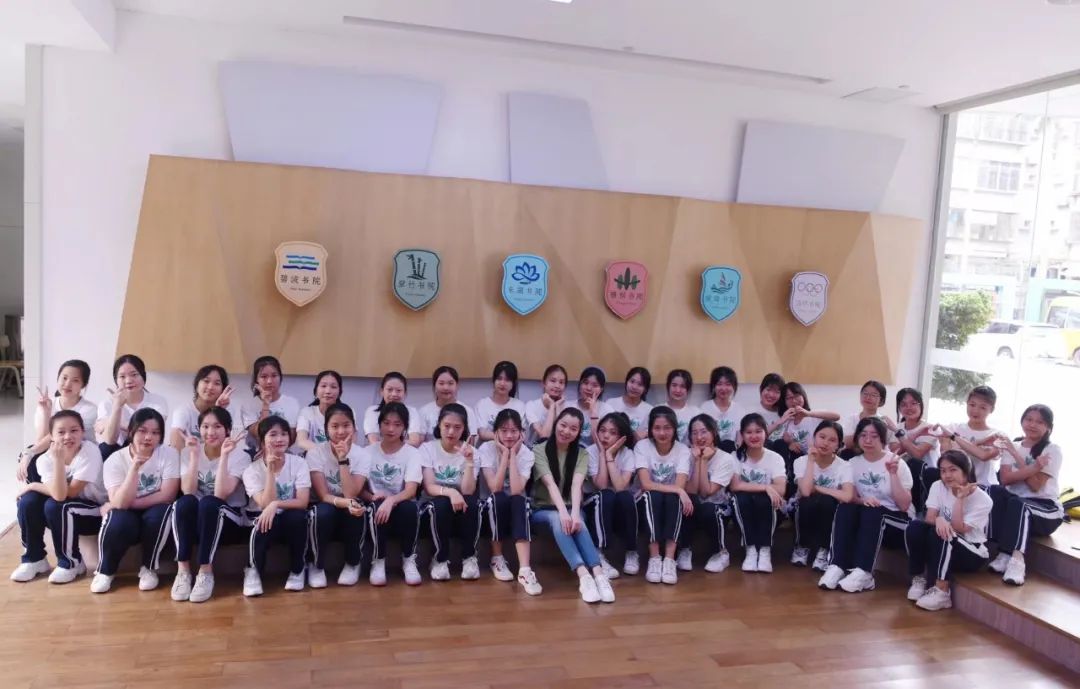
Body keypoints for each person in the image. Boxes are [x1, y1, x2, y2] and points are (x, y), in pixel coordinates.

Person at [530, 407, 615, 603]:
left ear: (579, 432)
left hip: (571, 506)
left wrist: (575, 513)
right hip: (543, 509)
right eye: (563, 425)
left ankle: (599, 575)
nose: (566, 431)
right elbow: (550, 484)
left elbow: (577, 485)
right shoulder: (539, 449)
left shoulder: (581, 453)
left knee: (579, 522)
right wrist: (563, 512)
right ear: (556, 424)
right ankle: (584, 576)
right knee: (559, 520)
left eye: (573, 428)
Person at [819, 417, 913, 593]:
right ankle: (837, 565)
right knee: (846, 507)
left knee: (873, 512)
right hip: (867, 518)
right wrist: (863, 500)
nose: (868, 440)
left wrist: (893, 474)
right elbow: (851, 497)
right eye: (863, 435)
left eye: (874, 436)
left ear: (883, 439)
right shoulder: (853, 463)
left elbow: (904, 506)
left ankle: (865, 572)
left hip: (897, 523)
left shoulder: (896, 462)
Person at [10, 411, 106, 584]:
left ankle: (72, 563)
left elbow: (64, 494)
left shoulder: (90, 451)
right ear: (51, 437)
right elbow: (57, 493)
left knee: (57, 505)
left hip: (95, 512)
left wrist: (33, 485)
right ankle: (34, 559)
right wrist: (56, 461)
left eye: (74, 430)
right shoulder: (44, 459)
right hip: (65, 510)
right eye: (61, 432)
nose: (68, 436)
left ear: (82, 432)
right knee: (28, 502)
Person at [170, 406, 253, 603]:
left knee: (209, 503)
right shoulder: (189, 451)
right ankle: (183, 571)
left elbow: (220, 494)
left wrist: (224, 456)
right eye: (205, 426)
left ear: (227, 430)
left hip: (228, 522)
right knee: (184, 502)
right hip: (200, 521)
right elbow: (188, 491)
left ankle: (205, 572)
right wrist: (194, 456)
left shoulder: (240, 456)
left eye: (217, 426)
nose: (210, 432)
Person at [93, 408, 180, 594]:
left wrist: (125, 504)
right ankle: (105, 571)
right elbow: (119, 503)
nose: (148, 437)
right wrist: (134, 468)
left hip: (153, 508)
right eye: (142, 431)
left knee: (163, 512)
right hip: (126, 512)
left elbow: (168, 495)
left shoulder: (169, 454)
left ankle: (148, 568)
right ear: (131, 431)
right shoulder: (115, 460)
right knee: (116, 519)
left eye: (155, 433)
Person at [905, 450, 992, 611]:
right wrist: (939, 519)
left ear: (966, 471)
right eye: (943, 471)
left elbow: (960, 529)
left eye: (953, 470)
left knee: (945, 534)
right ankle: (919, 579)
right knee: (916, 526)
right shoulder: (938, 486)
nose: (947, 475)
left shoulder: (983, 499)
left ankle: (942, 591)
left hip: (971, 553)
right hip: (943, 546)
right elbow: (930, 517)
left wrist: (960, 498)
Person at [987, 404, 1064, 586]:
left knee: (1019, 504)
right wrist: (1033, 467)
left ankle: (1016, 560)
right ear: (1022, 421)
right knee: (995, 491)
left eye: (1040, 422)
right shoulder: (1012, 445)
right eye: (1029, 419)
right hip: (1017, 507)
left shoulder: (1052, 450)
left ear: (1048, 427)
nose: (1032, 424)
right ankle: (1002, 553)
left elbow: (1036, 485)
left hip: (1046, 510)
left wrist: (1016, 456)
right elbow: (1005, 479)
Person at [241, 416, 311, 596]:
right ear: (262, 441)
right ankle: (253, 571)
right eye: (273, 434)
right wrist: (271, 471)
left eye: (284, 434)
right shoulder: (251, 471)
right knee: (263, 522)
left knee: (298, 517)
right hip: (262, 517)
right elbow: (264, 504)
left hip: (287, 517)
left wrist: (276, 504)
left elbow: (302, 502)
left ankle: (297, 570)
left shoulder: (299, 463)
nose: (279, 439)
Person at [356, 402, 423, 586]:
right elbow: (359, 489)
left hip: (401, 502)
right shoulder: (367, 452)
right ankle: (378, 561)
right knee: (375, 507)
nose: (391, 429)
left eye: (397, 424)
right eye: (386, 423)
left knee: (410, 509)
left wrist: (391, 500)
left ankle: (409, 559)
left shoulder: (412, 454)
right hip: (376, 504)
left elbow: (410, 491)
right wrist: (372, 497)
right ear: (379, 425)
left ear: (405, 427)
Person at [475, 409, 540, 594]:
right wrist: (505, 455)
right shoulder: (486, 449)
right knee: (498, 498)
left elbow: (517, 490)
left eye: (514, 431)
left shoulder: (527, 454)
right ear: (495, 432)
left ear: (522, 433)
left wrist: (512, 456)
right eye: (504, 431)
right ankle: (497, 558)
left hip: (515, 503)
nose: (509, 435)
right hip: (489, 504)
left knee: (519, 500)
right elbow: (495, 487)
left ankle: (525, 570)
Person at [305, 403, 367, 588]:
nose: (341, 431)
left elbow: (351, 493)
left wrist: (343, 460)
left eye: (346, 425)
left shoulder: (362, 455)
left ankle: (352, 563)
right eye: (334, 426)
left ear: (354, 428)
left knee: (357, 510)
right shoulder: (315, 453)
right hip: (327, 502)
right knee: (323, 512)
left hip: (348, 500)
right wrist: (346, 502)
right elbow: (323, 495)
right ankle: (316, 565)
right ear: (326, 429)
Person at [420, 403, 481, 581]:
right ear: (439, 425)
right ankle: (439, 559)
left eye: (457, 427)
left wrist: (469, 461)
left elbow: (468, 490)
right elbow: (429, 487)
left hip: (461, 505)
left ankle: (469, 558)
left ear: (464, 429)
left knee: (472, 503)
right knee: (441, 503)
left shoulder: (472, 452)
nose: (451, 432)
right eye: (447, 426)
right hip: (432, 505)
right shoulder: (427, 449)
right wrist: (451, 493)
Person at [635, 406, 693, 584]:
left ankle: (669, 559)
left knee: (673, 498)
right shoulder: (642, 446)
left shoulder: (683, 450)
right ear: (650, 429)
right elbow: (645, 484)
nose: (662, 433)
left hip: (671, 501)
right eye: (657, 428)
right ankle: (654, 558)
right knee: (653, 496)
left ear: (675, 429)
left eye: (667, 428)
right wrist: (679, 490)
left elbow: (679, 485)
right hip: (645, 500)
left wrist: (679, 490)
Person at [18, 360, 98, 481]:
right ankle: (42, 488)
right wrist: (46, 413)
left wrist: (29, 452)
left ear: (83, 384)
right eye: (64, 378)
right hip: (55, 451)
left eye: (75, 380)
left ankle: (46, 488)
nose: (67, 384)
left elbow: (56, 438)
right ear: (58, 379)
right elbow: (41, 441)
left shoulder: (89, 409)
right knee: (31, 455)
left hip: (79, 456)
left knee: (31, 452)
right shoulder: (47, 403)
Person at [791, 421, 853, 571]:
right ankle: (802, 546)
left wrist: (818, 488)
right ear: (814, 438)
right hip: (804, 506)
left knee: (827, 501)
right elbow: (806, 491)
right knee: (807, 501)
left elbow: (847, 496)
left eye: (832, 440)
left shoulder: (844, 466)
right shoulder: (801, 461)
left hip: (829, 508)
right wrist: (811, 461)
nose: (825, 443)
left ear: (838, 445)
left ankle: (824, 551)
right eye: (822, 437)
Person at [729, 413, 787, 573]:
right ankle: (751, 549)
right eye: (749, 432)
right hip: (745, 505)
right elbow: (735, 485)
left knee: (764, 500)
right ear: (742, 435)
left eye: (758, 431)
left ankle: (765, 550)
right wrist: (766, 487)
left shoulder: (775, 458)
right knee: (741, 499)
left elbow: (781, 489)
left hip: (770, 506)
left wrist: (768, 490)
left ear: (765, 433)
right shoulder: (735, 457)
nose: (754, 436)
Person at [585, 411, 640, 577]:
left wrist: (609, 456)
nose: (605, 436)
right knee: (606, 495)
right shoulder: (590, 451)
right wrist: (603, 454)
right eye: (602, 430)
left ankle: (631, 551)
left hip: (617, 505)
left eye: (612, 432)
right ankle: (598, 554)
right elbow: (601, 485)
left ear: (622, 437)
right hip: (593, 503)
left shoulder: (627, 453)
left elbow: (621, 486)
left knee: (626, 496)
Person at [681, 414, 737, 573]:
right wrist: (696, 460)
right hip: (693, 505)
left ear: (714, 432)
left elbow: (707, 493)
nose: (699, 437)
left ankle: (721, 553)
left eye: (704, 431)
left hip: (717, 507)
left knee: (707, 508)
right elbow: (692, 491)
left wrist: (703, 461)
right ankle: (684, 550)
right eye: (694, 433)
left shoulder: (725, 458)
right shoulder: (686, 455)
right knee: (686, 501)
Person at [95, 354, 169, 458]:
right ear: (116, 380)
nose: (129, 381)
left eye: (134, 375)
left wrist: (115, 423)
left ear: (143, 376)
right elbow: (110, 440)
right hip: (115, 452)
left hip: (147, 449)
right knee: (104, 448)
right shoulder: (106, 404)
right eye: (122, 377)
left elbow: (151, 431)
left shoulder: (157, 401)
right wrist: (117, 406)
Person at [771, 382, 840, 487]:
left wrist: (808, 413)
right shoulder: (787, 421)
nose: (794, 401)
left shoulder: (814, 416)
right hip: (800, 460)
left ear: (803, 396)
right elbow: (775, 440)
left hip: (818, 457)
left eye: (796, 395)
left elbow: (836, 416)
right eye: (789, 398)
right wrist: (790, 443)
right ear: (784, 402)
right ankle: (786, 481)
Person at [934, 385, 1002, 488]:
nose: (975, 410)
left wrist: (955, 439)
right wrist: (980, 442)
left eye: (983, 407)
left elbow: (983, 456)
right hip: (956, 485)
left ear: (991, 409)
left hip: (983, 486)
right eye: (972, 405)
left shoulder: (996, 435)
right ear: (967, 403)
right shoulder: (953, 428)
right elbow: (948, 459)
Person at [884, 388, 939, 513]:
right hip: (901, 475)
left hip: (925, 477)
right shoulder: (897, 428)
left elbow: (917, 454)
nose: (909, 408)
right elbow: (895, 452)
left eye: (913, 403)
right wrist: (909, 434)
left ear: (921, 405)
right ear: (899, 408)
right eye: (903, 404)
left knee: (914, 463)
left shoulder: (930, 428)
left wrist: (899, 434)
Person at [168, 365, 233, 451]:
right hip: (188, 457)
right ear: (197, 385)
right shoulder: (184, 411)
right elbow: (176, 436)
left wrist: (218, 410)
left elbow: (226, 444)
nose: (210, 387)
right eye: (206, 381)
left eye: (217, 383)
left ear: (223, 389)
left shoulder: (228, 410)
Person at [240, 356, 301, 446]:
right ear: (256, 380)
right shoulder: (248, 405)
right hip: (256, 452)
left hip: (282, 451)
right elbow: (259, 434)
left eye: (274, 376)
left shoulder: (292, 403)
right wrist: (266, 405)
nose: (269, 381)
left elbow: (291, 438)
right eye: (264, 376)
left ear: (280, 377)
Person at [418, 366, 480, 442]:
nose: (446, 388)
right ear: (434, 386)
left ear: (457, 385)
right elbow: (420, 443)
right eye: (441, 383)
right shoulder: (424, 411)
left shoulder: (467, 411)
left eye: (450, 383)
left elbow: (470, 442)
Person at [362, 372, 423, 447]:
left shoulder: (412, 412)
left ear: (405, 393)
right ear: (382, 392)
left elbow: (414, 442)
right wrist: (397, 443)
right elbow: (374, 442)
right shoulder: (372, 411)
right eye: (390, 390)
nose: (394, 394)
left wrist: (389, 444)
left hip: (405, 453)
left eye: (398, 390)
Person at [475, 361, 526, 443]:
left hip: (512, 448)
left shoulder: (519, 405)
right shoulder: (482, 404)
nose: (502, 383)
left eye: (507, 380)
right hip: (487, 448)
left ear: (513, 383)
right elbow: (482, 433)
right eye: (499, 378)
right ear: (493, 380)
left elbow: (522, 434)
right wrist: (507, 437)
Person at [564, 366, 614, 447]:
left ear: (601, 389)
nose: (589, 388)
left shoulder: (607, 410)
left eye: (595, 385)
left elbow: (600, 445)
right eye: (585, 383)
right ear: (580, 384)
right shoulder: (568, 406)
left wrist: (593, 412)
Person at [297, 370, 343, 452]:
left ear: (340, 392)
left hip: (339, 457)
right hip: (313, 457)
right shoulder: (307, 412)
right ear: (316, 391)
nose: (328, 391)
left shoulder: (347, 413)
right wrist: (327, 452)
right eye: (323, 386)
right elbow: (302, 441)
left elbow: (351, 442)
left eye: (333, 387)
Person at [699, 366, 741, 453]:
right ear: (713, 386)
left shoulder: (739, 409)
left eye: (728, 384)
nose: (723, 388)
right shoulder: (704, 408)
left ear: (734, 386)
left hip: (731, 453)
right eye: (719, 384)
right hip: (710, 453)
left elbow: (739, 439)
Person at [524, 364, 568, 444]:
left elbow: (562, 437)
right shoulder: (531, 405)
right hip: (535, 448)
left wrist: (557, 408)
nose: (557, 386)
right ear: (543, 383)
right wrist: (552, 406)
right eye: (553, 381)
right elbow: (544, 437)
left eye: (561, 382)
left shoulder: (568, 408)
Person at [606, 367, 653, 440]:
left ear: (645, 389)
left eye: (640, 384)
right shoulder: (610, 403)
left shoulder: (650, 410)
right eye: (632, 381)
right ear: (626, 381)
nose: (634, 387)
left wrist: (645, 434)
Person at [842, 380, 888, 453]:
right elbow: (846, 443)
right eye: (865, 393)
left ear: (881, 400)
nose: (868, 397)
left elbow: (884, 446)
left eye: (873, 395)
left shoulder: (884, 421)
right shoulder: (852, 419)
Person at [664, 369, 700, 444]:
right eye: (674, 385)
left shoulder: (696, 413)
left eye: (683, 386)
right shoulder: (657, 410)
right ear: (668, 386)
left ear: (688, 389)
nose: (678, 390)